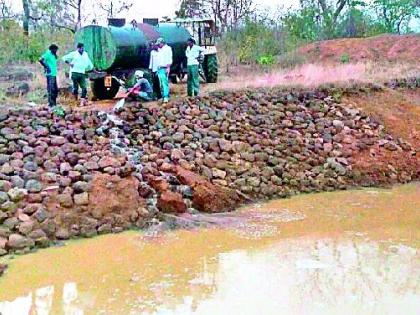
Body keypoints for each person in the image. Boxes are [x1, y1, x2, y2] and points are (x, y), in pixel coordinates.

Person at [156, 38, 172, 103]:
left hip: (164, 67)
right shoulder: (160, 50)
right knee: (161, 83)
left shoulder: (168, 49)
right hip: (159, 68)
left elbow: (169, 58)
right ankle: (163, 96)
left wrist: (168, 67)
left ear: (162, 43)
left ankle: (166, 96)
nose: (158, 45)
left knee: (164, 83)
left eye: (159, 44)